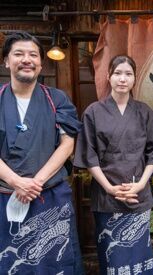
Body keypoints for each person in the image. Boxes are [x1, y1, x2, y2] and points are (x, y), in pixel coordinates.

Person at [74, 55, 153, 275]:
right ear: (108, 76)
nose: (122, 79)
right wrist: (109, 188)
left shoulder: (145, 112)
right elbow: (89, 155)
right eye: (117, 73)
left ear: (135, 79)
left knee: (139, 257)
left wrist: (142, 185)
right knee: (113, 256)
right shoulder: (93, 112)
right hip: (107, 197)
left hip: (138, 195)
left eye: (128, 74)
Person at [0, 31, 83, 274]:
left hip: (48, 195)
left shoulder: (56, 99)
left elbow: (68, 145)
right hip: (5, 195)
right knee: (9, 262)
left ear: (40, 63)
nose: (27, 59)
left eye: (32, 55)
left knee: (55, 262)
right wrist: (16, 182)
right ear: (6, 61)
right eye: (19, 54)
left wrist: (34, 183)